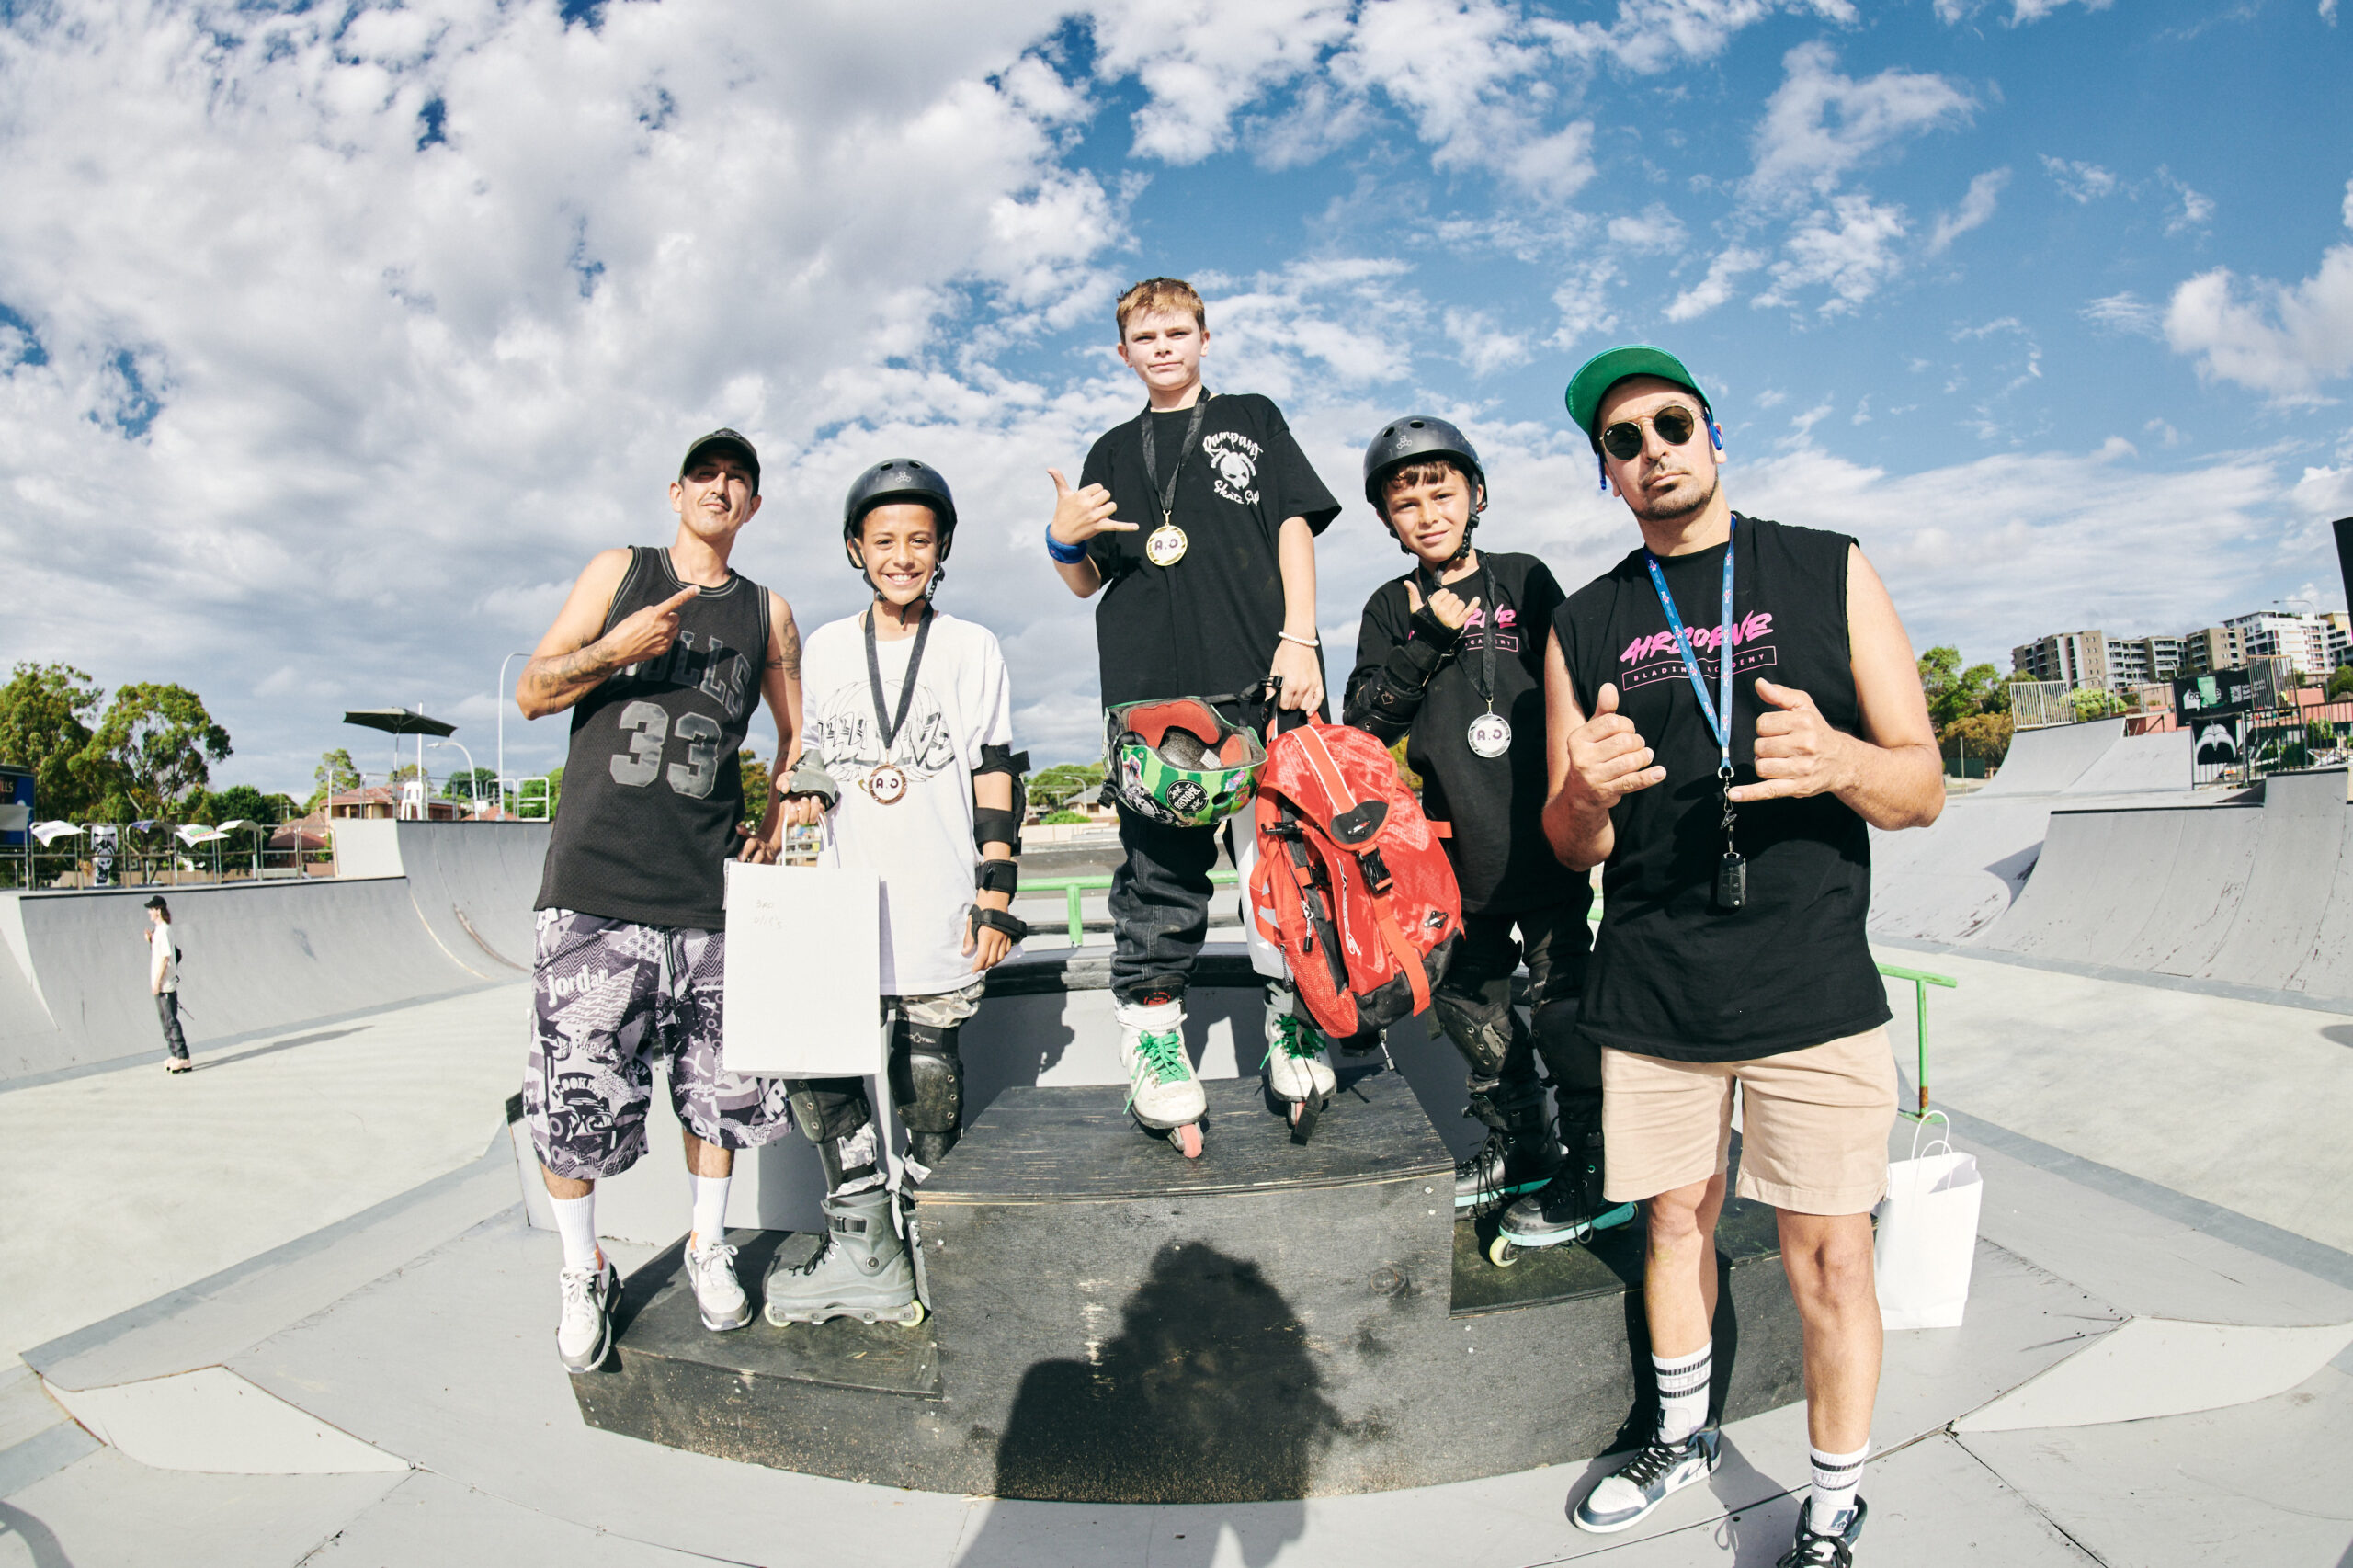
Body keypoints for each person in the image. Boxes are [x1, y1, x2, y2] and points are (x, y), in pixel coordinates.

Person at [1545, 347, 1942, 1566]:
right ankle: (1680, 1434)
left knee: (1831, 1253)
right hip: (1655, 982)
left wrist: (1843, 762)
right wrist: (1584, 793)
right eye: (1622, 440)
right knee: (1674, 1220)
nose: (1652, 450)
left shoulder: (1827, 565)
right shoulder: (1586, 618)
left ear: (1714, 435)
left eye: (1671, 424)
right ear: (1607, 474)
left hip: (1808, 978)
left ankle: (1831, 1500)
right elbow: (1570, 841)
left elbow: (1921, 784)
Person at [515, 427, 821, 1374]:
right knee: (577, 1092)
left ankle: (705, 1244)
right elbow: (532, 690)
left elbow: (797, 738)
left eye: (738, 479)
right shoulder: (621, 571)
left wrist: (773, 819)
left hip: (706, 892)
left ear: (754, 505)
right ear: (676, 492)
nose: (720, 488)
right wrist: (616, 647)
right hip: (595, 882)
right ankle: (582, 1267)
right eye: (704, 474)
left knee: (719, 1092)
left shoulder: (768, 612)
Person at [1042, 277, 1343, 1153]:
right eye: (1146, 338)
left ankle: (1294, 1023)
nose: (1163, 347)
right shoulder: (1111, 449)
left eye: (1178, 332)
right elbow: (1086, 581)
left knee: (1282, 863)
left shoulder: (1252, 416)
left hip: (1261, 675)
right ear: (1123, 353)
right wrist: (1062, 537)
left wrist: (1301, 637)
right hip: (1152, 695)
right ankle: (1154, 1041)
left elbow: (1293, 524)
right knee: (1159, 875)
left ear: (1205, 338)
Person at [1341, 417, 1631, 1252]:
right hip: (1447, 854)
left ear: (1475, 496)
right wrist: (1426, 638)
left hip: (1540, 837)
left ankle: (1598, 1162)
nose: (1427, 513)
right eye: (1407, 503)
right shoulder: (1388, 606)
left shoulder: (1526, 579)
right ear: (1388, 519)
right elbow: (1364, 726)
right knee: (1467, 1000)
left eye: (1442, 493)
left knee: (1563, 999)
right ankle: (1525, 1147)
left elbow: (1578, 683)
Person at [760, 458, 1028, 1327]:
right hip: (840, 903)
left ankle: (936, 1240)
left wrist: (996, 892)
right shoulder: (827, 647)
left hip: (934, 896)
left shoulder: (971, 646)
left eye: (919, 540)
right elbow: (809, 761)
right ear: (855, 549)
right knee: (818, 1071)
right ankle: (865, 1250)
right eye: (884, 541)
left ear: (942, 548)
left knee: (928, 1074)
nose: (902, 556)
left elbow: (995, 770)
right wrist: (801, 802)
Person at [144, 896, 188, 1074]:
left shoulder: (164, 930)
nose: (149, 912)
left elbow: (165, 958)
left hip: (165, 985)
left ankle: (183, 1057)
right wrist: (150, 940)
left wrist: (157, 982)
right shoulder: (158, 931)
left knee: (171, 1021)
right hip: (161, 984)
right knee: (165, 1022)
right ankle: (174, 1054)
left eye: (151, 909)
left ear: (158, 910)